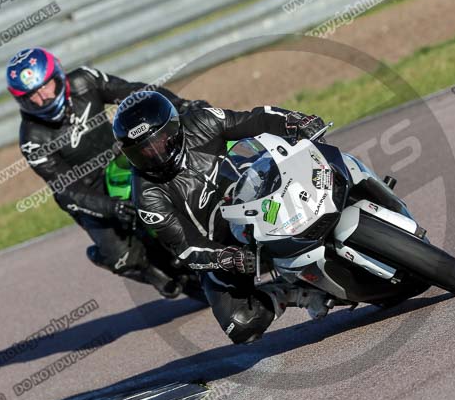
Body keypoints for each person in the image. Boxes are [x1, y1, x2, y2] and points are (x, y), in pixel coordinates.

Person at [112, 91, 326, 343]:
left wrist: (295, 121)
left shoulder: (202, 121)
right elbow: (185, 246)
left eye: (159, 141)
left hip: (266, 194)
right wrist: (225, 258)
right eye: (144, 150)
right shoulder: (146, 195)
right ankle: (292, 293)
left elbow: (256, 119)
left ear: (174, 127)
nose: (155, 154)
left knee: (320, 158)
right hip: (227, 244)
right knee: (240, 325)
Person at [6, 47, 207, 296]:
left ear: (59, 75)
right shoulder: (32, 138)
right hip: (89, 192)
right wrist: (111, 208)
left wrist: (182, 105)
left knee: (175, 161)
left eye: (46, 86)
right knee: (120, 255)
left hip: (122, 159)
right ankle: (150, 270)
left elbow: (135, 93)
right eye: (31, 96)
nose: (43, 98)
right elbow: (67, 190)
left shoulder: (84, 80)